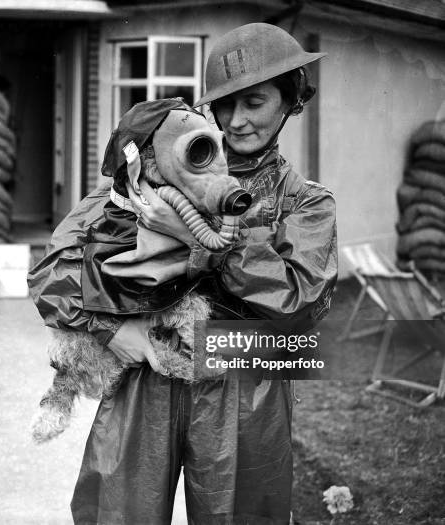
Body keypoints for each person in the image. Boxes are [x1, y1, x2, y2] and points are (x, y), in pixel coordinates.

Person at [28, 23, 337, 525]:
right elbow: (53, 266)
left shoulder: (305, 203)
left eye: (254, 102)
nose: (236, 121)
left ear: (291, 99)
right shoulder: (149, 175)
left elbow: (300, 309)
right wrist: (112, 328)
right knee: (118, 513)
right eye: (224, 104)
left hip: (245, 383)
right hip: (145, 372)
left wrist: (201, 240)